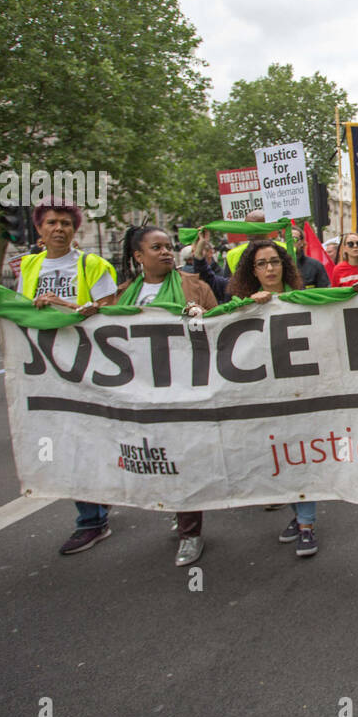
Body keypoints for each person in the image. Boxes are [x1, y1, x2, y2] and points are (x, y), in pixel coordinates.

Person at [16, 199, 120, 556]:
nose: (58, 228)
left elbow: (112, 313)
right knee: (67, 440)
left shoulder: (93, 265)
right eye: (50, 223)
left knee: (96, 438)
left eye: (65, 223)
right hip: (47, 369)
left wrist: (66, 307)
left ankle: (102, 503)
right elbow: (19, 312)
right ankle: (90, 519)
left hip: (90, 365)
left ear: (76, 230)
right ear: (39, 230)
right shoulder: (27, 266)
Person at [114, 224, 219, 565]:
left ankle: (191, 532)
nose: (166, 252)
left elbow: (222, 326)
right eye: (156, 247)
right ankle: (181, 509)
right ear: (138, 256)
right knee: (159, 458)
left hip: (186, 388)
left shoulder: (194, 287)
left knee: (183, 458)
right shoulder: (126, 294)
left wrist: (205, 319)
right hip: (143, 391)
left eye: (169, 246)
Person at [223, 239, 317, 553]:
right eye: (262, 264)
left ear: (285, 265)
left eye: (274, 261)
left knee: (301, 458)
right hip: (264, 397)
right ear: (253, 270)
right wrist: (247, 305)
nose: (270, 269)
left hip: (300, 393)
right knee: (279, 460)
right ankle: (296, 514)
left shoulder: (301, 299)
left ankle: (306, 525)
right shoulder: (242, 307)